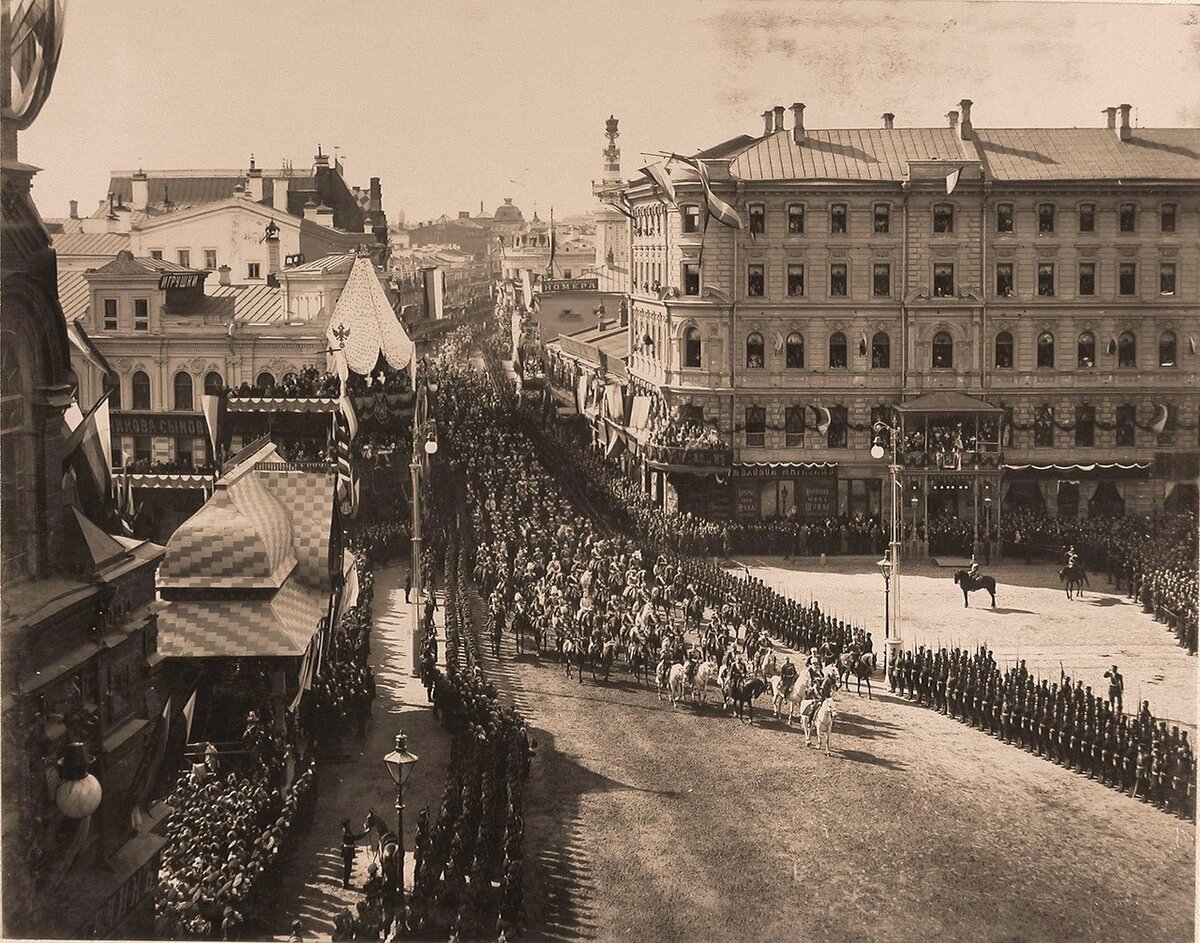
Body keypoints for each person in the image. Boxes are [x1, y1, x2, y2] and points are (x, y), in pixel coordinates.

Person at [341, 817, 368, 888]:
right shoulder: (347, 832)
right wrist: (365, 833)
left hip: (347, 850)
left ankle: (346, 883)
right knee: (347, 868)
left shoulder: (346, 830)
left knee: (348, 867)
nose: (350, 825)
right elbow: (355, 838)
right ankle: (345, 884)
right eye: (349, 823)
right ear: (346, 824)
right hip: (348, 851)